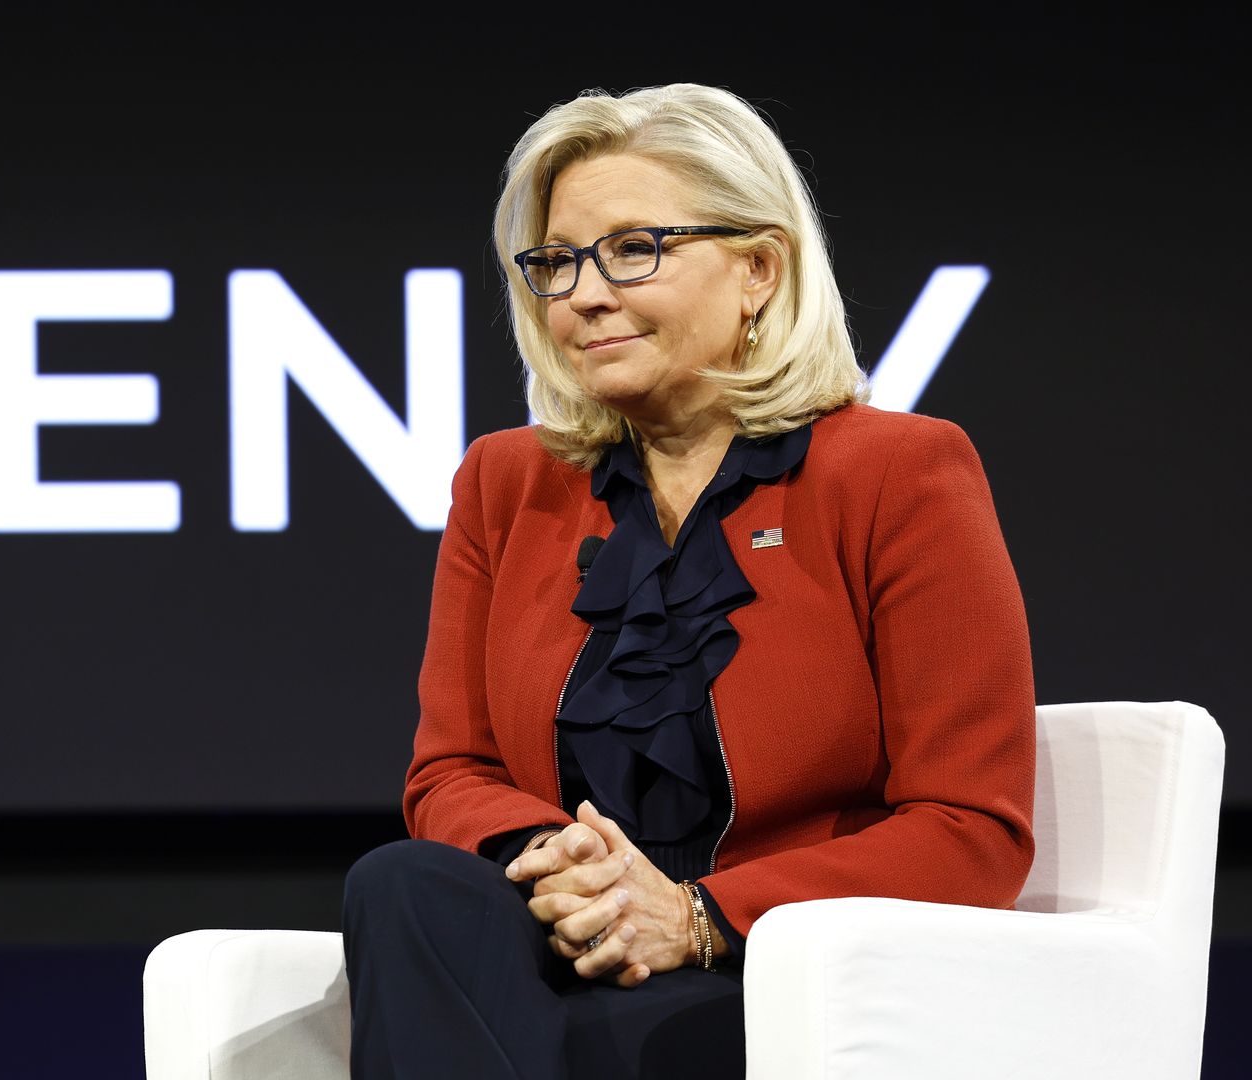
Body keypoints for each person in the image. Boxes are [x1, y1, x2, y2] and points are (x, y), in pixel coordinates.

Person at [340, 82, 1036, 1080]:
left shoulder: (899, 472)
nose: (584, 295)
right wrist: (567, 864)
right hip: (566, 942)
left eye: (634, 249)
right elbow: (451, 774)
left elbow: (972, 831)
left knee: (564, 1047)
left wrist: (695, 915)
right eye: (557, 263)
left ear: (759, 268)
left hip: (776, 968)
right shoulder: (506, 482)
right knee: (401, 884)